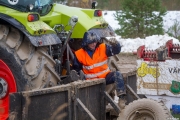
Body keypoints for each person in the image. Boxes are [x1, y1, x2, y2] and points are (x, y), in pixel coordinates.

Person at [73, 31, 126, 109]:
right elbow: (76, 70)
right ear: (86, 43)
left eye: (95, 42)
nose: (94, 44)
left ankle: (121, 100)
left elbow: (116, 51)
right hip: (90, 81)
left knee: (117, 74)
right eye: (91, 43)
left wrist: (116, 44)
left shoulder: (103, 48)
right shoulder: (79, 54)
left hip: (105, 77)